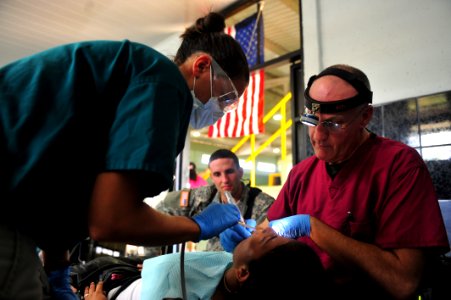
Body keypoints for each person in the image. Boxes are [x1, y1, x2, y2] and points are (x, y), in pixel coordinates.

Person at [0, 12, 250, 299]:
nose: (222, 110)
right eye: (228, 98)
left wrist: (57, 267)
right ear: (202, 66)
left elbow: (64, 176)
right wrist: (198, 226)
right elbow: (110, 220)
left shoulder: (137, 74)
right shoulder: (163, 83)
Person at [221, 64, 450, 299]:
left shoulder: (399, 166)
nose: (318, 136)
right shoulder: (302, 173)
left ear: (365, 116)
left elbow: (403, 282)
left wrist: (314, 228)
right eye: (312, 119)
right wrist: (246, 236)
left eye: (334, 123)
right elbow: (266, 231)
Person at [80, 227, 329, 300]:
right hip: (126, 275)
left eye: (268, 240)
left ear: (243, 274)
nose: (264, 231)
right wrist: (158, 269)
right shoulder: (229, 268)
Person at [156, 149, 275, 251]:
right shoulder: (204, 197)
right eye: (217, 174)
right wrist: (152, 256)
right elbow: (162, 211)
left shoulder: (262, 204)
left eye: (229, 172)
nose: (225, 180)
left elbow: (269, 247)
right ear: (212, 177)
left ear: (240, 172)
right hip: (207, 270)